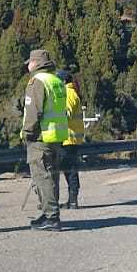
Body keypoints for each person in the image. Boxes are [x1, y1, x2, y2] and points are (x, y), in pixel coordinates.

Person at [21, 49, 69, 231]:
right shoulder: (56, 80)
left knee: (42, 177)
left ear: (36, 63)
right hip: (56, 135)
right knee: (52, 176)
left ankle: (51, 216)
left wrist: (27, 132)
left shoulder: (37, 82)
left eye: (29, 62)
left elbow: (34, 111)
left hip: (40, 136)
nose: (27, 65)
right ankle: (48, 214)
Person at [56, 70, 84, 209]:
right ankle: (72, 200)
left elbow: (66, 114)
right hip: (70, 138)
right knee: (69, 169)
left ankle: (73, 200)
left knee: (70, 170)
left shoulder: (69, 93)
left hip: (68, 138)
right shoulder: (71, 92)